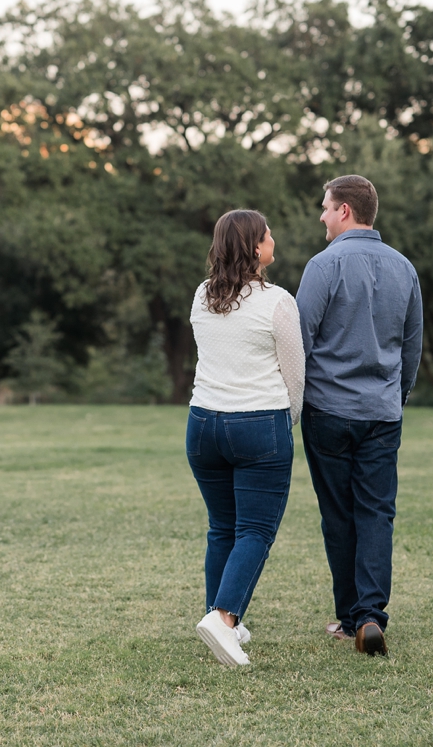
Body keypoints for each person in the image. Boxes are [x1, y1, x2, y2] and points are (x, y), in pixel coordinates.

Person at [296, 175, 422, 657]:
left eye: (325, 208)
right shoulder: (405, 268)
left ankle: (350, 620)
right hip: (382, 413)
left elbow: (300, 341)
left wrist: (297, 400)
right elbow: (412, 344)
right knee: (376, 512)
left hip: (328, 410)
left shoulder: (322, 266)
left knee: (338, 515)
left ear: (345, 211)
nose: (322, 217)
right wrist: (397, 394)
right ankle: (371, 615)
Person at [187, 209, 305, 668]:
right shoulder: (277, 302)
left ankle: (221, 616)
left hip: (203, 426)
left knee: (223, 527)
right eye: (268, 234)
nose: (274, 238)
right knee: (254, 530)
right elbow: (295, 378)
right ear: (256, 249)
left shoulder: (202, 296)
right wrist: (287, 422)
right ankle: (223, 619)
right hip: (258, 425)